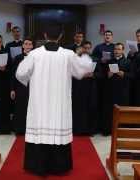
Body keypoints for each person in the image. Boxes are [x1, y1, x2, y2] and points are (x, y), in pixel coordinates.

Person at [16, 25, 94, 175]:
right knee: (58, 129)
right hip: (59, 102)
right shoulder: (68, 54)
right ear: (60, 36)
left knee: (39, 130)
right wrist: (83, 54)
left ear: (45, 35)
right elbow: (84, 70)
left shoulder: (34, 54)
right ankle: (59, 167)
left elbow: (20, 74)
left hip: (40, 102)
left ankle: (38, 166)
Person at [71, 41, 99, 135]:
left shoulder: (95, 59)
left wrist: (93, 74)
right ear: (82, 48)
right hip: (78, 87)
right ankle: (77, 130)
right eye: (85, 48)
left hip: (91, 88)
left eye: (88, 48)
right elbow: (70, 72)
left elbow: (101, 74)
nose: (87, 50)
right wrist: (80, 74)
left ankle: (89, 130)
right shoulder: (76, 59)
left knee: (90, 108)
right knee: (78, 108)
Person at [92, 30, 115, 136]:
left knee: (110, 103)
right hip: (100, 78)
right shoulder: (98, 47)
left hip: (112, 79)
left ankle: (109, 126)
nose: (107, 37)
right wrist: (101, 60)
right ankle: (98, 126)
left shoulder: (115, 47)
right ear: (104, 36)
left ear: (112, 37)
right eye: (106, 35)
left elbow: (118, 58)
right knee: (100, 101)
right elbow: (93, 58)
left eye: (109, 35)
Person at [10, 38, 34, 135]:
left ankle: (31, 129)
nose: (28, 46)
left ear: (32, 46)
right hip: (19, 87)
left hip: (32, 87)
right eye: (26, 44)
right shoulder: (17, 58)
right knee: (20, 108)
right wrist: (12, 89)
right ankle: (19, 129)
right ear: (23, 46)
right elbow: (12, 74)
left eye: (30, 44)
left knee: (31, 108)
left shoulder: (36, 58)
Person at [127, 28, 140, 106]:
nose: (139, 38)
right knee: (133, 98)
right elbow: (128, 61)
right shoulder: (134, 46)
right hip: (134, 76)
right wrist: (131, 55)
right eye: (137, 36)